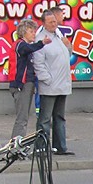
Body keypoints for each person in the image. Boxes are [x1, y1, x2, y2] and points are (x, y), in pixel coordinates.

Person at [33, 10, 74, 155]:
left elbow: (66, 56)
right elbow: (38, 64)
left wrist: (69, 46)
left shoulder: (58, 36)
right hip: (50, 86)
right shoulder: (41, 39)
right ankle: (41, 147)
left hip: (62, 85)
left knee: (60, 117)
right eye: (50, 22)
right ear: (43, 23)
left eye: (55, 21)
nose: (54, 24)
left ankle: (60, 147)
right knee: (45, 119)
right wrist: (47, 80)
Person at [9, 19, 50, 138]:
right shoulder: (20, 45)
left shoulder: (25, 46)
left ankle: (18, 143)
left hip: (28, 84)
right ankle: (16, 145)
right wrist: (42, 43)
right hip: (21, 85)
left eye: (34, 31)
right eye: (31, 31)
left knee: (24, 117)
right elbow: (28, 49)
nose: (34, 33)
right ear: (23, 32)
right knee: (21, 118)